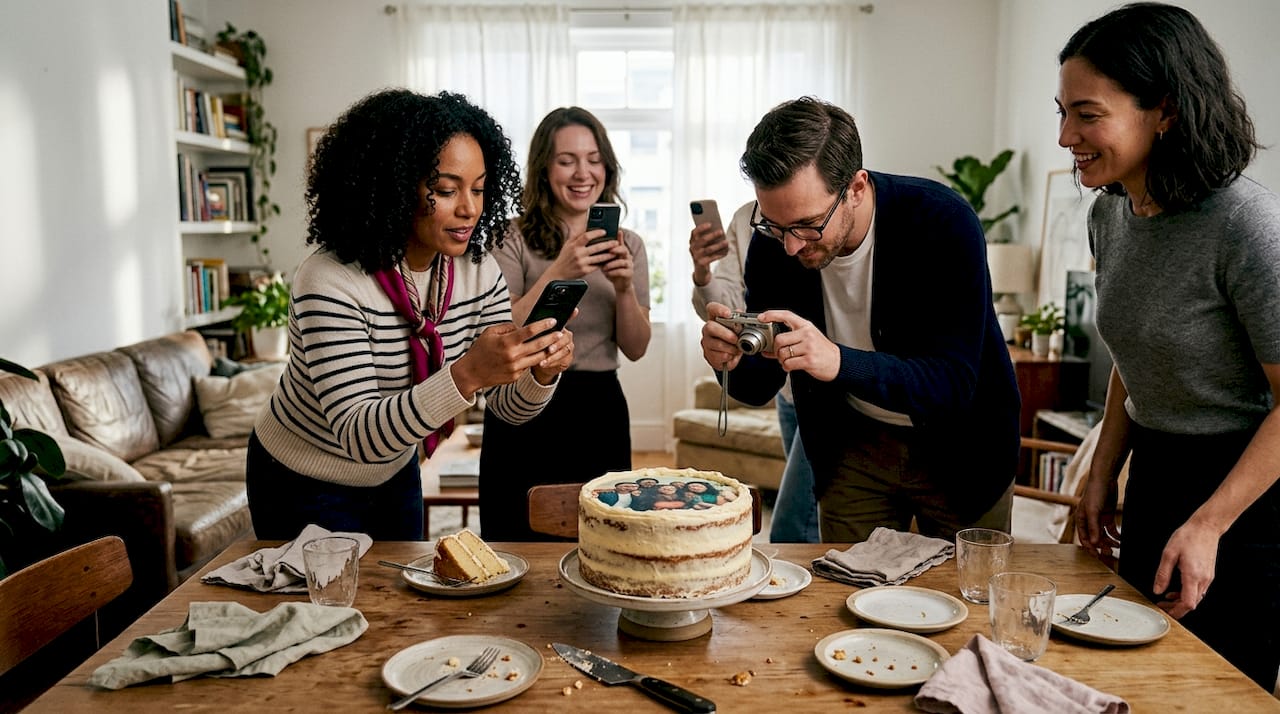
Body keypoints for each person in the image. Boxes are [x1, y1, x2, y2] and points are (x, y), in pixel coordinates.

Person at [1060, 3, 1280, 690]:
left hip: (1246, 499)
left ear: (1166, 111)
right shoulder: (1111, 213)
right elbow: (1135, 356)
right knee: (1130, 683)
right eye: (1062, 111)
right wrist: (1103, 470)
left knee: (1212, 690)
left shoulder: (1246, 225)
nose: (1066, 135)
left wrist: (1210, 524)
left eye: (1087, 114)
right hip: (1155, 475)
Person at [246, 89, 574, 541]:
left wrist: (538, 373)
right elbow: (358, 433)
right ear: (394, 186)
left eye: (479, 189)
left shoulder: (479, 273)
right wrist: (466, 375)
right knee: (320, 611)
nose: (470, 209)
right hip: (302, 478)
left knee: (399, 608)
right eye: (445, 190)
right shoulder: (329, 279)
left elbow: (507, 408)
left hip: (395, 468)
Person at [699, 96, 1021, 544]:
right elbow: (757, 387)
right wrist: (728, 358)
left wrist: (836, 361)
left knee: (964, 599)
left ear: (855, 186)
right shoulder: (772, 241)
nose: (790, 246)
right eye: (775, 225)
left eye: (808, 225)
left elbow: (951, 384)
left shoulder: (942, 222)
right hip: (850, 444)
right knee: (846, 594)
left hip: (961, 448)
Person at [480, 106, 651, 541]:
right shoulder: (509, 237)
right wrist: (559, 270)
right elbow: (498, 328)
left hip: (598, 409)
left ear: (606, 167)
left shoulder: (628, 244)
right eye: (567, 159)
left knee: (604, 541)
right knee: (512, 538)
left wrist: (625, 287)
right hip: (521, 403)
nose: (583, 173)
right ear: (544, 168)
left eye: (593, 159)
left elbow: (636, 347)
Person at [690, 201, 819, 543]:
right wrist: (703, 271)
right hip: (787, 391)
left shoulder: (822, 214)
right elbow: (727, 308)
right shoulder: (746, 219)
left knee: (793, 524)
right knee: (815, 514)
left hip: (825, 390)